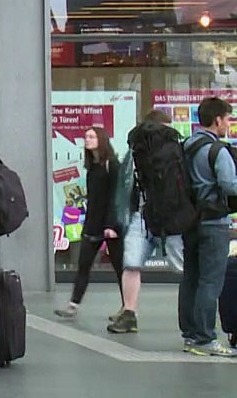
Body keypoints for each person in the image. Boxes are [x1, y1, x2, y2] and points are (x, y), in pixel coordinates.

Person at [109, 109, 184, 334]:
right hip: (170, 216)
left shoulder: (135, 152)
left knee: (131, 264)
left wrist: (120, 217)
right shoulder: (176, 150)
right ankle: (198, 318)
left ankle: (129, 313)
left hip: (141, 216)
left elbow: (124, 186)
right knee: (185, 268)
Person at [178, 97, 237, 357]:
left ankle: (190, 334)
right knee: (211, 281)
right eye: (227, 119)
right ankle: (205, 338)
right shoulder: (217, 150)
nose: (228, 124)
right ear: (217, 120)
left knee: (191, 277)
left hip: (190, 220)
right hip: (214, 222)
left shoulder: (186, 146)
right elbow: (229, 185)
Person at [55, 126, 125, 318]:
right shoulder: (92, 168)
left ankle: (127, 307)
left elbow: (116, 197)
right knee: (83, 264)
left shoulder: (112, 165)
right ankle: (73, 304)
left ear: (101, 140)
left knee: (120, 268)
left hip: (111, 225)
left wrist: (111, 225)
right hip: (93, 224)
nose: (87, 140)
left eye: (92, 136)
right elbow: (93, 199)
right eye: (86, 137)